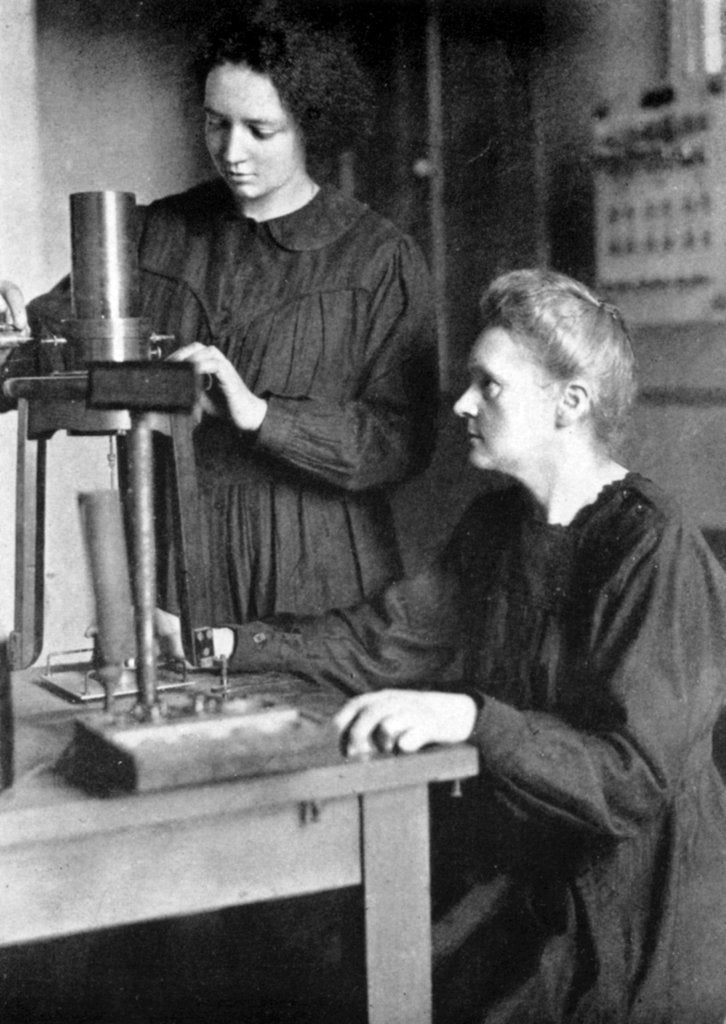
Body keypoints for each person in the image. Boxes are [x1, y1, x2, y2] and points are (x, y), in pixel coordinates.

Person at [160, 268, 726, 1023]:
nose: (462, 403)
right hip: (531, 883)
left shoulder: (651, 545)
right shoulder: (496, 526)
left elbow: (631, 778)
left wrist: (469, 718)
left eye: (488, 386)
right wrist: (223, 643)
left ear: (571, 404)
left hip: (633, 915)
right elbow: (378, 642)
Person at [0, 3, 438, 627]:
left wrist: (261, 414)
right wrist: (11, 336)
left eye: (261, 130)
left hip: (320, 575)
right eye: (215, 124)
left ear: (311, 126)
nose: (231, 151)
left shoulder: (376, 259)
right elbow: (38, 359)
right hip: (178, 570)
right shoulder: (151, 235)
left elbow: (403, 441)